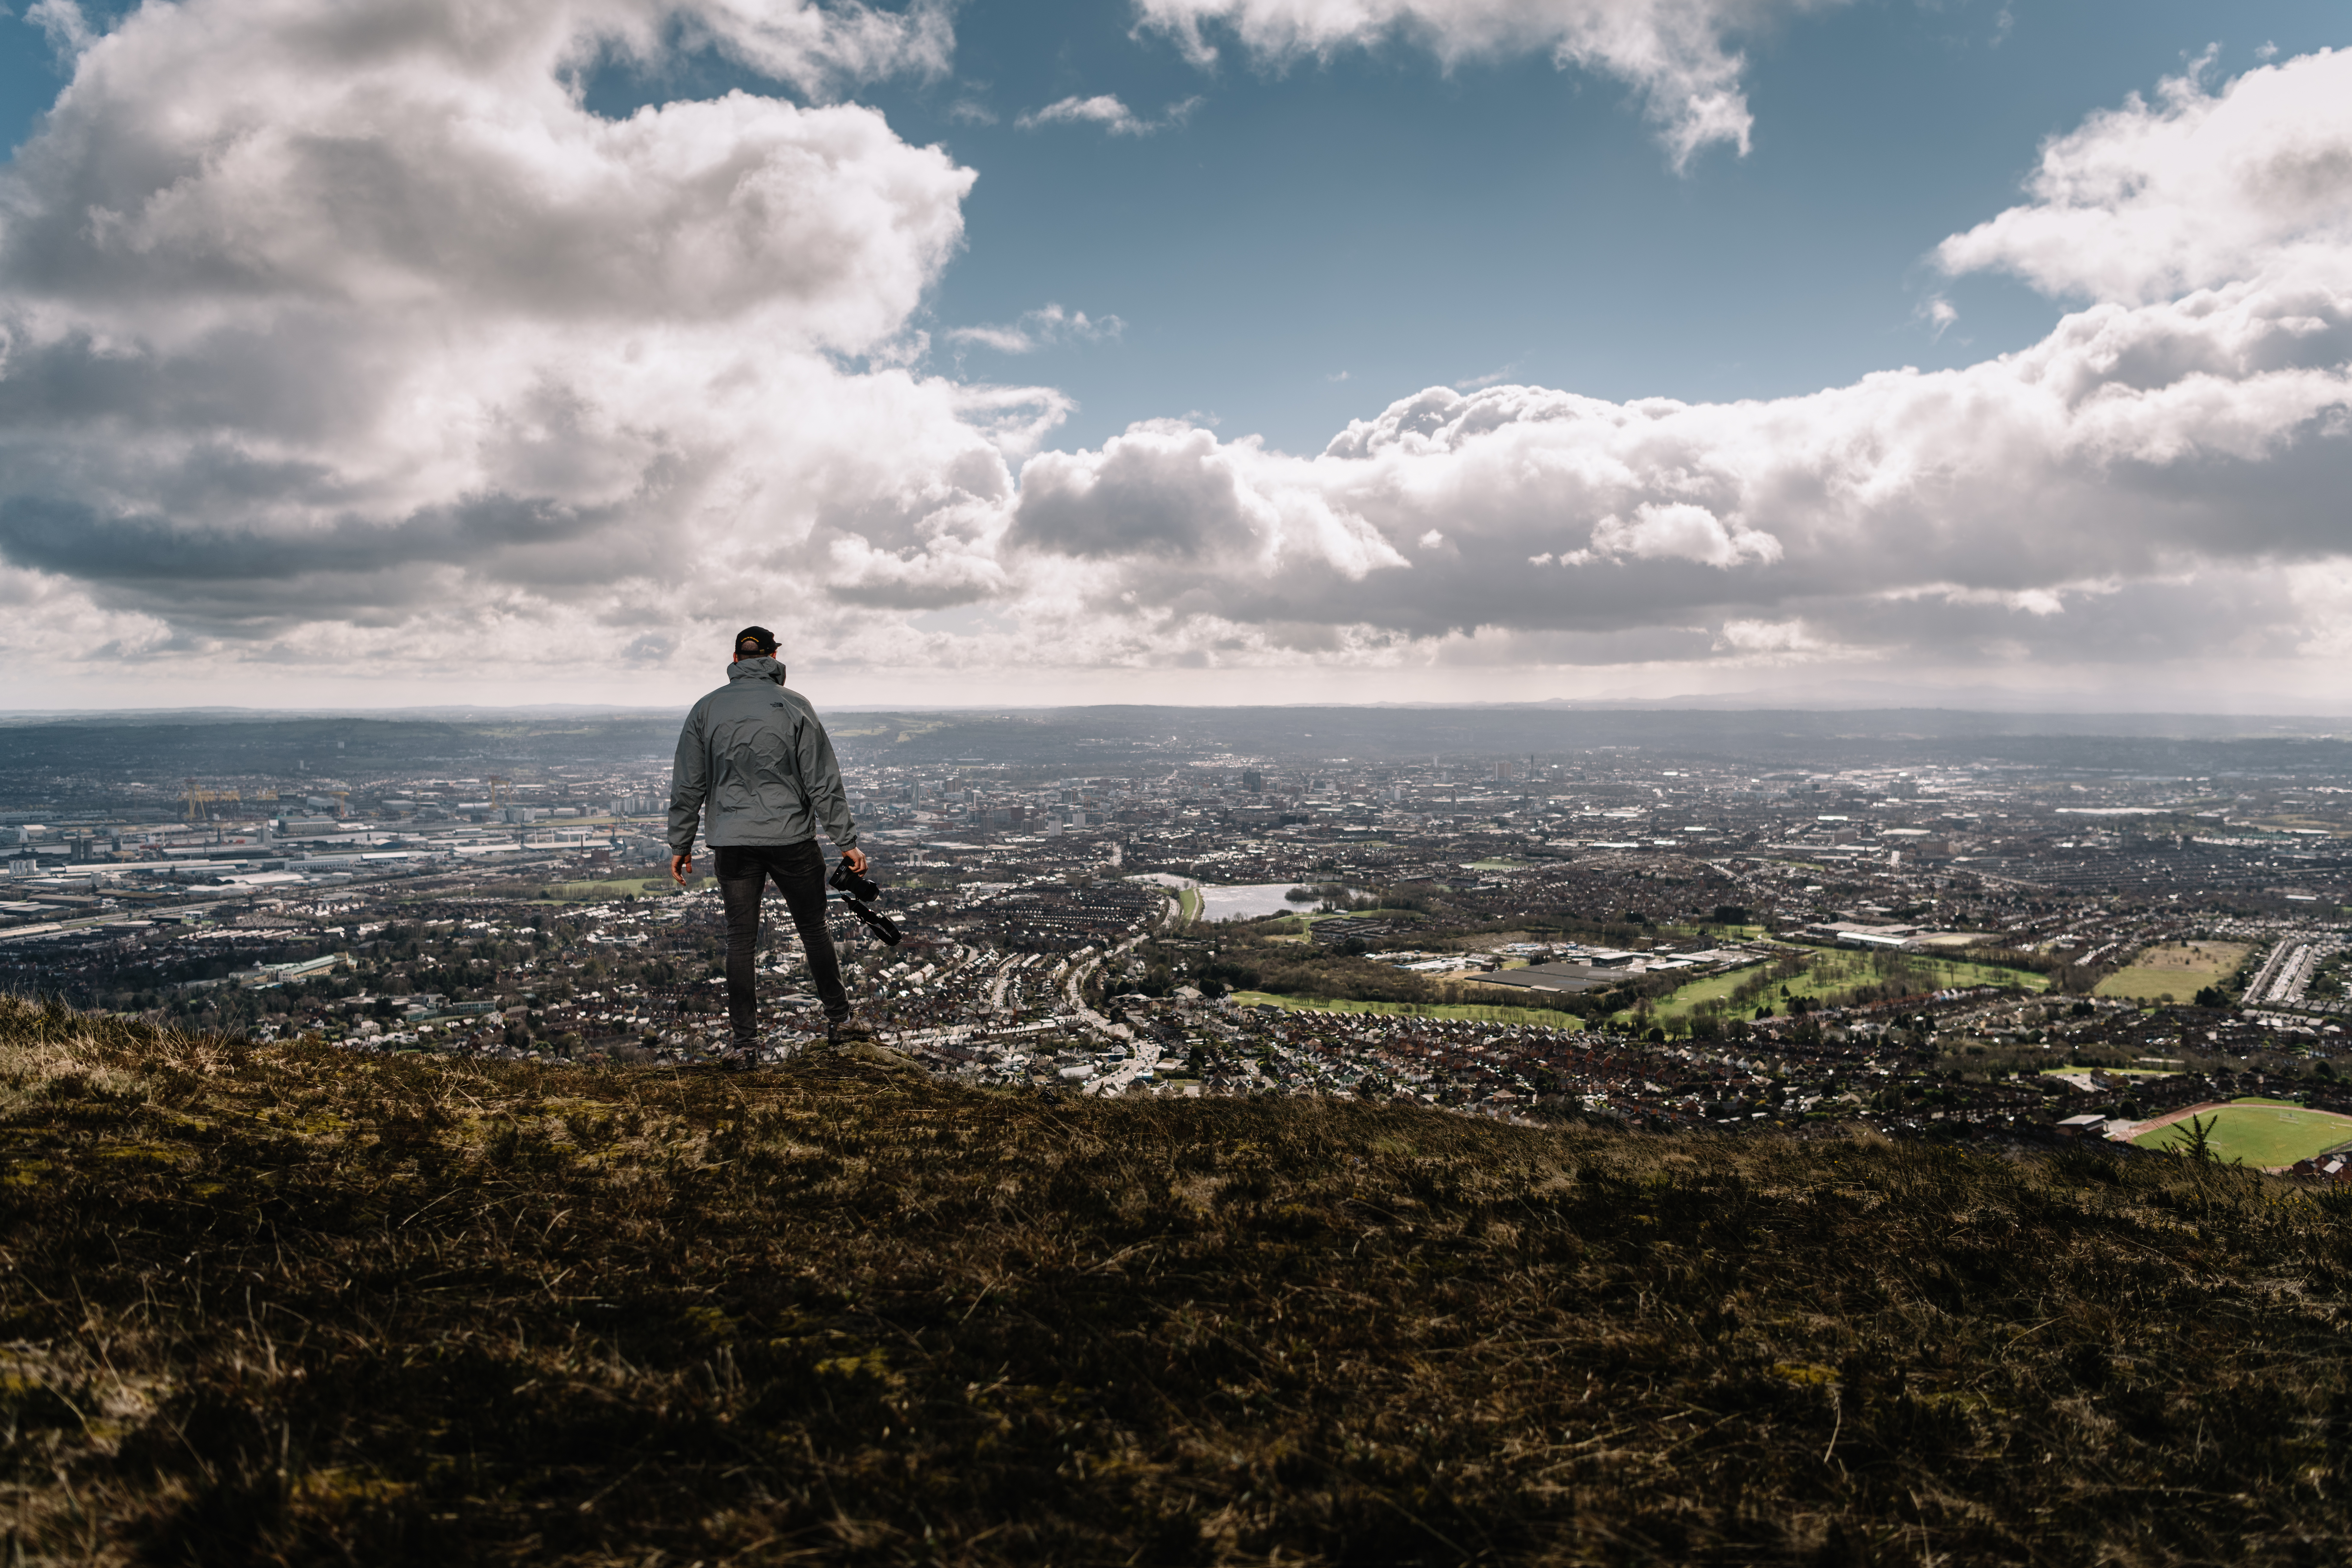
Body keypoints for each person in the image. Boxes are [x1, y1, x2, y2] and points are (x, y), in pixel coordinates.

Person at [668, 626, 876, 1062]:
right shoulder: (794, 705)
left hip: (733, 844)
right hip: (791, 839)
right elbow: (822, 780)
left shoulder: (706, 709)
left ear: (736, 658)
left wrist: (681, 842)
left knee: (740, 939)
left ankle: (745, 1046)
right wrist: (847, 840)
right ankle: (840, 1021)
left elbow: (690, 783)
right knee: (813, 928)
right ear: (774, 656)